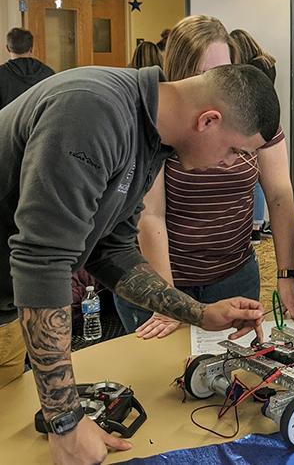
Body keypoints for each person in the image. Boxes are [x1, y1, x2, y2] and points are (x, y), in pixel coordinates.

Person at [0, 63, 274, 463]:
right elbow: (43, 262)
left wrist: (199, 313)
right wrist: (66, 421)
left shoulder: (149, 138)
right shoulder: (92, 110)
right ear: (209, 120)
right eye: (236, 150)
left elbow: (112, 250)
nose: (234, 164)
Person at [114, 15, 294, 339]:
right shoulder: (160, 123)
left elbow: (279, 194)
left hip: (233, 272)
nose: (216, 85)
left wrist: (286, 273)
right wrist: (168, 300)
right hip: (164, 276)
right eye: (206, 74)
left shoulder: (247, 115)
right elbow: (151, 216)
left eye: (224, 72)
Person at [230, 28, 278, 243]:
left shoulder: (251, 68)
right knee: (260, 177)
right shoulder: (268, 63)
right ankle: (257, 225)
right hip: (268, 122)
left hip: (250, 125)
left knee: (254, 178)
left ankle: (255, 227)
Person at [0, 28, 54, 109]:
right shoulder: (48, 74)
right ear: (31, 48)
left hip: (8, 121)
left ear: (8, 48)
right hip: (40, 121)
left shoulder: (1, 74)